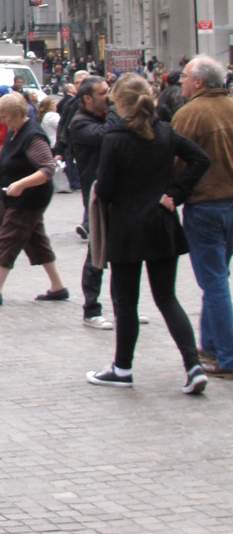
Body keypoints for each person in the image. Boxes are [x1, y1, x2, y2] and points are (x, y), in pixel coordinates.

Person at [88, 74, 210, 393]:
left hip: (127, 227)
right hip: (161, 223)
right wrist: (175, 193)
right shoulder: (165, 131)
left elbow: (107, 188)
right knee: (167, 298)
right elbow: (200, 159)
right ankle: (193, 365)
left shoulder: (115, 138)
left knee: (126, 301)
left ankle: (122, 368)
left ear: (122, 103)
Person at [0, 93, 70, 306]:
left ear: (17, 114)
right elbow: (2, 163)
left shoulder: (33, 135)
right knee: (36, 240)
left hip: (29, 199)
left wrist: (21, 184)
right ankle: (58, 286)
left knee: (8, 238)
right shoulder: (14, 132)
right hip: (15, 196)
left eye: (5, 116)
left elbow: (47, 168)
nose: (2, 121)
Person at [172, 56, 233, 377]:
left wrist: (170, 194)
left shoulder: (190, 114)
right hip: (228, 204)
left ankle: (228, 357)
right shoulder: (230, 107)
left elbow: (176, 163)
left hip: (206, 205)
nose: (180, 81)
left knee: (214, 281)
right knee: (217, 278)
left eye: (184, 76)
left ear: (198, 82)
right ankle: (211, 345)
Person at [67, 75, 117, 328]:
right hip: (97, 196)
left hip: (116, 193)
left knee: (120, 253)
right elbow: (108, 135)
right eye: (103, 93)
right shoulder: (80, 123)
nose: (108, 97)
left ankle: (123, 307)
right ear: (87, 98)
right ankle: (91, 309)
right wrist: (117, 108)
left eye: (109, 91)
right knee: (97, 251)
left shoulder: (103, 118)